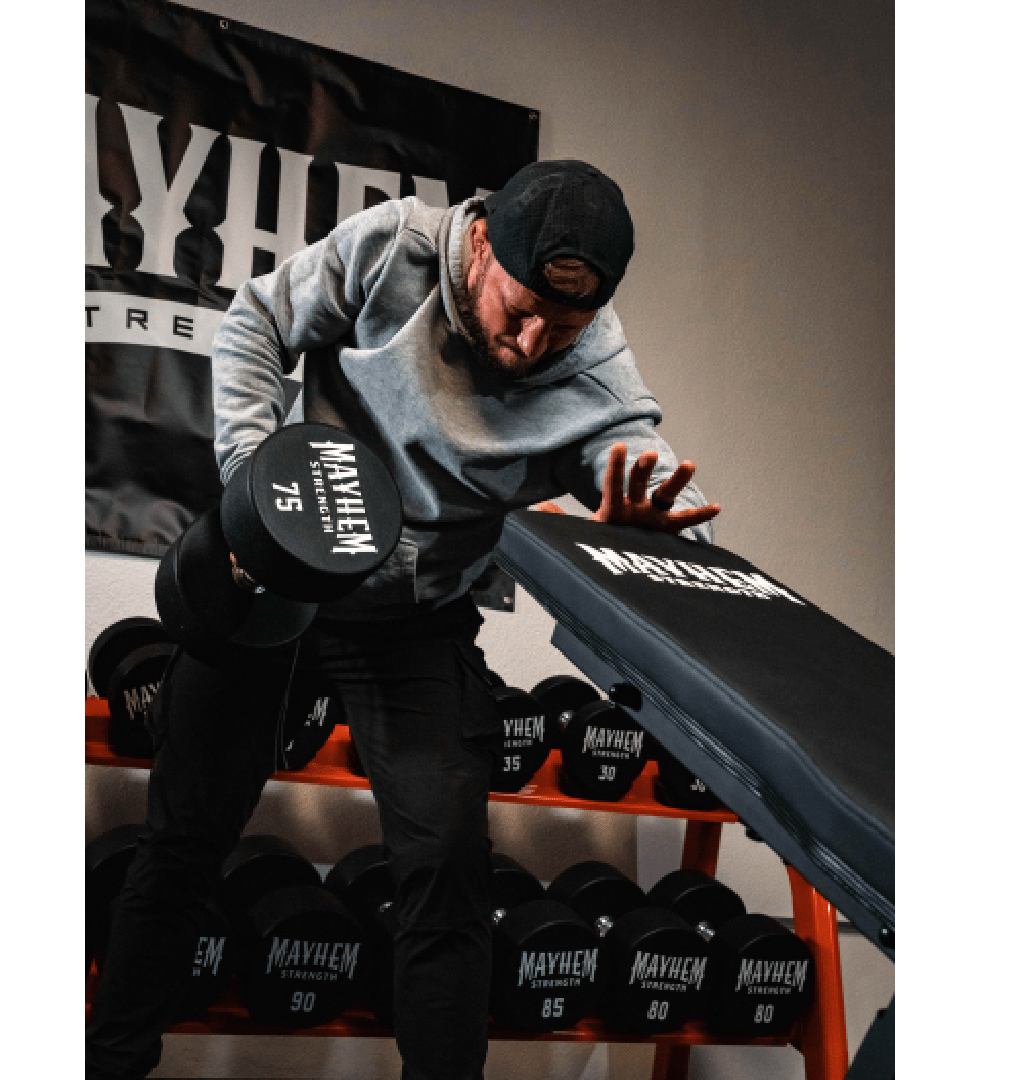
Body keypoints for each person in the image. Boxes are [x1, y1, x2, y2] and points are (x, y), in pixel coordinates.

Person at [87, 159, 721, 1080]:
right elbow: (257, 321)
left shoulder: (593, 370)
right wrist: (257, 494)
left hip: (416, 623)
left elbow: (646, 465)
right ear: (480, 245)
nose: (534, 342)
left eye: (564, 327)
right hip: (286, 575)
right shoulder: (395, 248)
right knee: (182, 844)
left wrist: (657, 525)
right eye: (521, 311)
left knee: (446, 880)